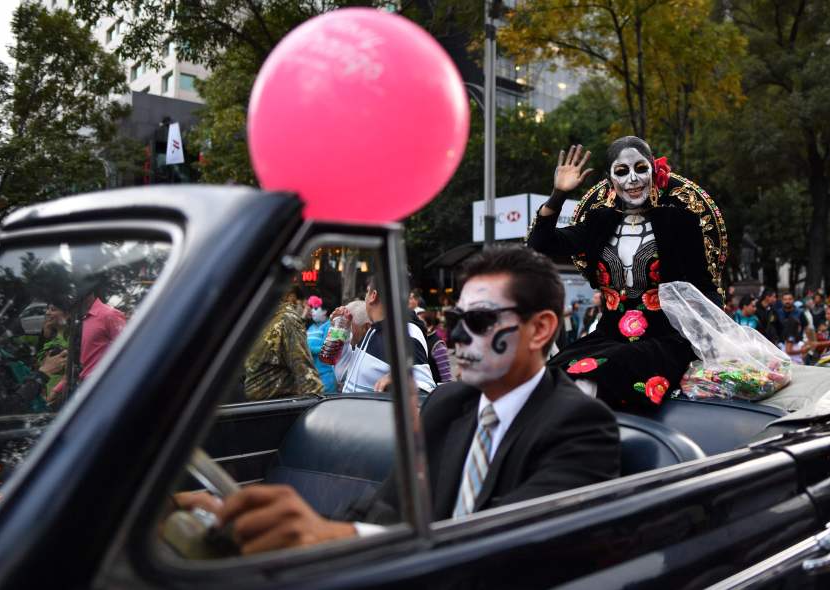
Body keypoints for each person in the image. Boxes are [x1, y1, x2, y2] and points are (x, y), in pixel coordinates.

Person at [177, 245, 620, 553]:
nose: (457, 336)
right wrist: (284, 534)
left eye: (481, 319)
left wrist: (335, 538)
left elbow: (506, 544)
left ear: (541, 329)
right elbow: (387, 506)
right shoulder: (450, 403)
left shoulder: (581, 425)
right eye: (454, 319)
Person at [527, 139, 721, 411]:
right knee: (546, 378)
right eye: (621, 171)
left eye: (640, 168)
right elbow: (539, 245)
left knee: (593, 380)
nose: (632, 179)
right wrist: (558, 194)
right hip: (608, 337)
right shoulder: (598, 222)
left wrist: (717, 335)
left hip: (664, 340)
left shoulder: (679, 222)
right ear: (610, 180)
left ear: (653, 172)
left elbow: (704, 287)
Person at [334, 276, 436, 394]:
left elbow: (426, 389)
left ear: (373, 296)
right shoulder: (374, 331)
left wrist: (399, 381)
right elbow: (343, 374)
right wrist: (342, 331)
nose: (365, 298)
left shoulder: (406, 333)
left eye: (367, 292)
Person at [244, 285, 324, 400]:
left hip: (257, 399)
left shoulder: (268, 315)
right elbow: (303, 366)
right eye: (306, 304)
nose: (308, 309)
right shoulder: (288, 319)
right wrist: (318, 403)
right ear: (294, 299)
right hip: (274, 402)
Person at [305, 297, 337, 394]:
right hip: (312, 376)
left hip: (326, 376)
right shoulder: (311, 327)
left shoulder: (329, 326)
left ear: (325, 311)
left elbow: (328, 348)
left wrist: (307, 349)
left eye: (315, 308)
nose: (312, 311)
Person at [421, 310, 453, 383]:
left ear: (430, 326)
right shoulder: (420, 340)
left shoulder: (438, 345)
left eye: (421, 322)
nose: (418, 324)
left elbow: (446, 377)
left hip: (435, 390)